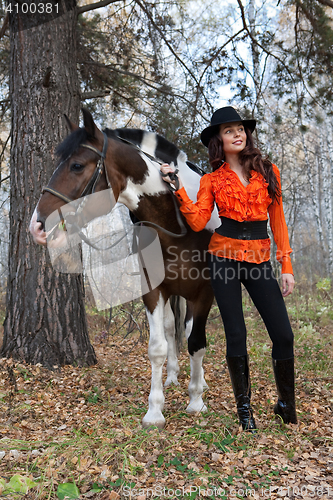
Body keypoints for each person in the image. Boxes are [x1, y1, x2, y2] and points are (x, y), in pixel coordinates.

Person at [160, 106, 297, 431]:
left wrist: (286, 264)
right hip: (223, 257)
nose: (237, 133)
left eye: (240, 129)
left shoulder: (268, 172)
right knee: (236, 333)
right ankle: (245, 412)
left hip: (260, 258)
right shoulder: (212, 180)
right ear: (218, 140)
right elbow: (197, 218)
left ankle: (286, 405)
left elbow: (278, 221)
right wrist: (177, 186)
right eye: (228, 130)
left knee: (284, 334)